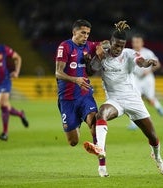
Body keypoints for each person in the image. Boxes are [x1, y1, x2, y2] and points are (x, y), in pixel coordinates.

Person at [83, 21, 163, 176]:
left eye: (121, 46)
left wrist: (148, 62)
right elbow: (90, 71)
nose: (118, 49)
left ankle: (157, 156)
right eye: (116, 45)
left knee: (153, 137)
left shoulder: (129, 53)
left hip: (133, 100)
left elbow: (140, 62)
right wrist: (95, 58)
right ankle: (100, 153)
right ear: (111, 41)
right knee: (101, 113)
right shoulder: (103, 54)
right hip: (114, 100)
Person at [55, 19, 106, 175]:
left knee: (95, 123)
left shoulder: (89, 46)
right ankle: (76, 124)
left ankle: (102, 164)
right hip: (67, 99)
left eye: (88, 33)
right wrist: (75, 80)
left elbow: (105, 43)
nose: (85, 36)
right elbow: (58, 73)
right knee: (73, 142)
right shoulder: (65, 46)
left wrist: (100, 47)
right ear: (74, 32)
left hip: (85, 96)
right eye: (83, 33)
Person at [128, 34, 163, 130]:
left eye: (138, 42)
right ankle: (133, 123)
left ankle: (158, 106)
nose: (136, 44)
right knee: (135, 99)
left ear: (142, 43)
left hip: (147, 78)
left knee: (150, 99)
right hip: (136, 79)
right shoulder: (129, 53)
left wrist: (148, 71)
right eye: (134, 42)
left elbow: (158, 64)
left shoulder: (148, 53)